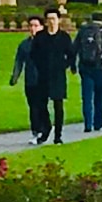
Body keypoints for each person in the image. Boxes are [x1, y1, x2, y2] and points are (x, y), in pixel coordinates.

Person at [12, 8, 74, 145]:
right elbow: (34, 54)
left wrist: (64, 65)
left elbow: (71, 55)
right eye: (49, 19)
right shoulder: (41, 37)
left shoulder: (64, 37)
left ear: (59, 20)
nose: (51, 21)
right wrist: (41, 66)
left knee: (58, 105)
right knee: (41, 105)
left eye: (54, 18)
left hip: (58, 76)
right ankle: (46, 129)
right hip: (43, 75)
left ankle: (58, 135)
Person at [74, 9, 102, 137]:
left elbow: (74, 47)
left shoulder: (83, 31)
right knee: (100, 95)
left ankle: (87, 124)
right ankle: (98, 122)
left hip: (85, 67)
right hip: (101, 68)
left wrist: (72, 65)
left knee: (86, 96)